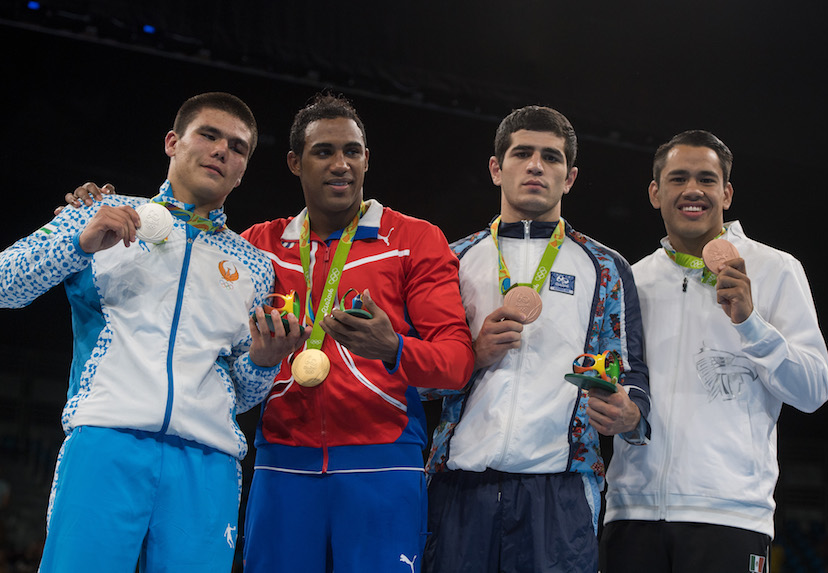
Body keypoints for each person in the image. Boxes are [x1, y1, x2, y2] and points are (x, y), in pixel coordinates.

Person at [0, 92, 309, 572]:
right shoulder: (100, 213)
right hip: (105, 441)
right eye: (208, 135)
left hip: (208, 462)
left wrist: (264, 361)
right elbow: (6, 285)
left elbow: (242, 393)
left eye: (238, 147)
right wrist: (79, 244)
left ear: (243, 170)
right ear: (172, 142)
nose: (221, 150)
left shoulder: (254, 266)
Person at [238, 94, 475, 572]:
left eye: (352, 151)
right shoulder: (259, 246)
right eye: (323, 152)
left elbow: (457, 363)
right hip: (282, 463)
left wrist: (393, 348)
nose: (340, 164)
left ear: (367, 159)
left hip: (384, 464)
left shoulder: (413, 241)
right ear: (295, 162)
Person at [422, 105, 651, 573]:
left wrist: (632, 414)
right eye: (522, 153)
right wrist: (472, 355)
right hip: (461, 483)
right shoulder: (451, 260)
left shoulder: (605, 268)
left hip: (561, 489)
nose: (535, 166)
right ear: (496, 168)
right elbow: (418, 375)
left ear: (570, 178)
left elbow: (631, 371)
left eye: (551, 157)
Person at [600, 130, 828, 572]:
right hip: (631, 513)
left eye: (706, 179)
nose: (693, 189)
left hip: (730, 514)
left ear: (726, 193)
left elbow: (813, 390)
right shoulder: (632, 280)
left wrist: (751, 323)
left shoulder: (776, 269)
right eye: (678, 178)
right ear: (655, 193)